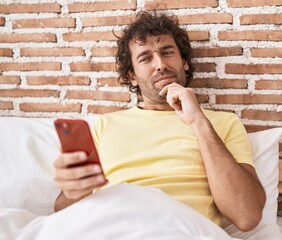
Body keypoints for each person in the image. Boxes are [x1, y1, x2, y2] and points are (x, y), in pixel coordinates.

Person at [53, 11, 265, 232]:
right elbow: (62, 212)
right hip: (111, 227)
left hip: (181, 230)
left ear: (184, 62)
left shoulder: (222, 123)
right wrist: (73, 190)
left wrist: (198, 122)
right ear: (132, 76)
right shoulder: (102, 126)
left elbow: (247, 215)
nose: (160, 64)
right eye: (145, 58)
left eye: (167, 52)